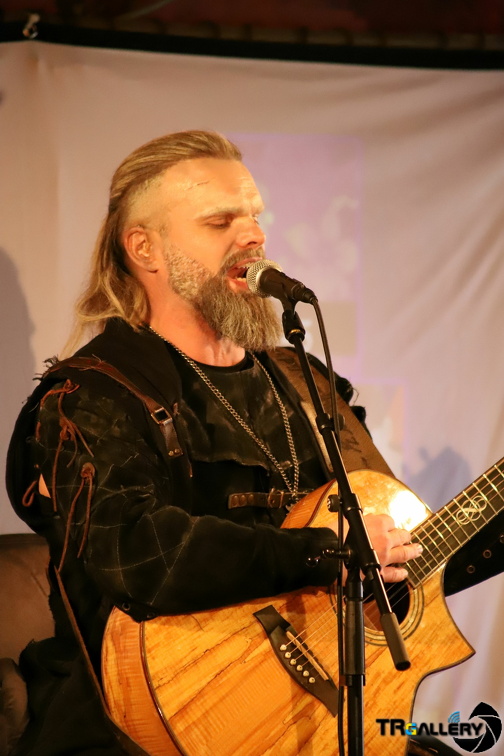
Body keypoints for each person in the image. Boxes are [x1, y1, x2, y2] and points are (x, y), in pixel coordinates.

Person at [6, 130, 473, 756]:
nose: (252, 235)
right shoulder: (90, 396)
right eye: (220, 220)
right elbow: (139, 556)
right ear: (144, 248)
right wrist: (323, 552)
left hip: (317, 711)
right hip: (138, 723)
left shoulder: (306, 385)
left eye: (255, 216)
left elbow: (395, 561)